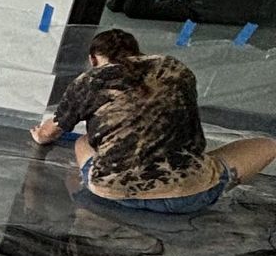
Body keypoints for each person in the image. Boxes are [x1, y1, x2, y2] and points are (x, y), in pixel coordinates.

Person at [31, 28, 276, 215]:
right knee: (267, 144)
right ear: (138, 52)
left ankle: (87, 210)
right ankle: (215, 181)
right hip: (189, 192)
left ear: (93, 59)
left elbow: (50, 132)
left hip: (113, 191)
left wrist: (39, 136)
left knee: (84, 141)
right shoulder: (174, 68)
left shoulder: (89, 80)